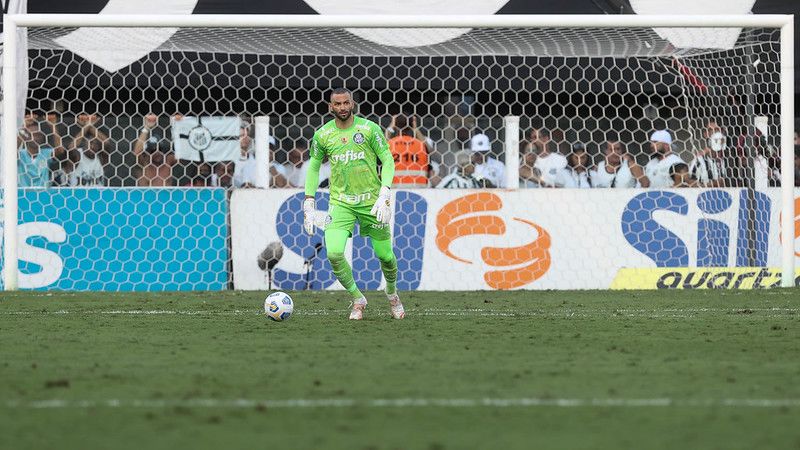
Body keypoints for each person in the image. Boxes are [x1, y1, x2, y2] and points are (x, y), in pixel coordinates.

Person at [303, 87, 403, 320]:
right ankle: (358, 298)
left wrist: (385, 193)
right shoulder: (323, 135)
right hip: (340, 202)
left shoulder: (369, 129)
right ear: (330, 107)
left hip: (372, 201)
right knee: (334, 253)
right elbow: (314, 167)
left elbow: (387, 160)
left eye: (346, 103)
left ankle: (392, 293)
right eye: (337, 104)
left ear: (352, 103)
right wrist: (309, 201)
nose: (342, 108)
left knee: (385, 256)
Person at [133, 114, 176, 186]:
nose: (157, 152)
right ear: (146, 154)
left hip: (167, 196)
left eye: (159, 149)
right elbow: (137, 152)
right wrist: (146, 127)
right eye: (152, 151)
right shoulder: (144, 163)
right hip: (146, 196)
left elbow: (184, 154)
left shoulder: (168, 160)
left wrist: (178, 126)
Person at [387, 114, 429, 188]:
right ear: (412, 125)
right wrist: (415, 128)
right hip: (418, 189)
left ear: (396, 125)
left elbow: (381, 143)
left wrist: (391, 125)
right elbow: (429, 149)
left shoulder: (391, 144)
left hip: (395, 189)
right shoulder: (420, 145)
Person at [688, 120, 727, 187]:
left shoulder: (729, 159)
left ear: (722, 133)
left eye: (716, 129)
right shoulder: (699, 160)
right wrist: (712, 185)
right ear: (705, 135)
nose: (714, 132)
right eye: (710, 130)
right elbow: (690, 183)